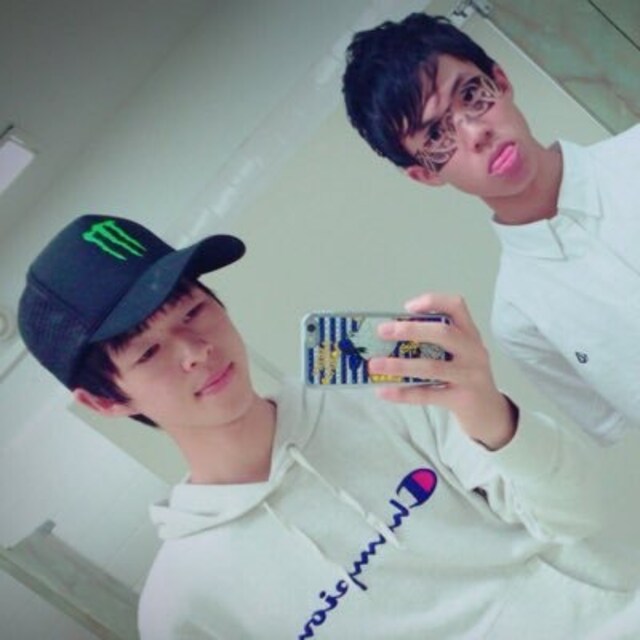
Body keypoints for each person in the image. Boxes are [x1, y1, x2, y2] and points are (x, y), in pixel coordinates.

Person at [17, 214, 640, 639]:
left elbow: (580, 514)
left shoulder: (379, 393)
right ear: (105, 401)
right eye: (149, 351)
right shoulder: (182, 604)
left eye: (194, 311)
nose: (195, 351)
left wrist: (489, 411)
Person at [342, 12, 640, 445]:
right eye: (436, 135)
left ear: (500, 81)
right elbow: (622, 441)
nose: (475, 132)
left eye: (471, 95)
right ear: (424, 175)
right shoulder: (519, 317)